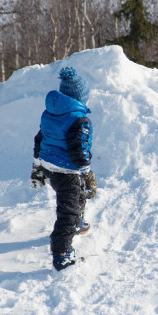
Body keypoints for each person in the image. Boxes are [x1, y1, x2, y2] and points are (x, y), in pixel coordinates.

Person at [30, 66, 97, 271]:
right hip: (67, 171)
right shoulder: (79, 119)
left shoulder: (50, 112)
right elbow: (80, 149)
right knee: (67, 212)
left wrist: (38, 165)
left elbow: (40, 138)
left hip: (50, 167)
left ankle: (77, 223)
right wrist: (86, 170)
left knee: (75, 200)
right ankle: (62, 255)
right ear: (80, 98)